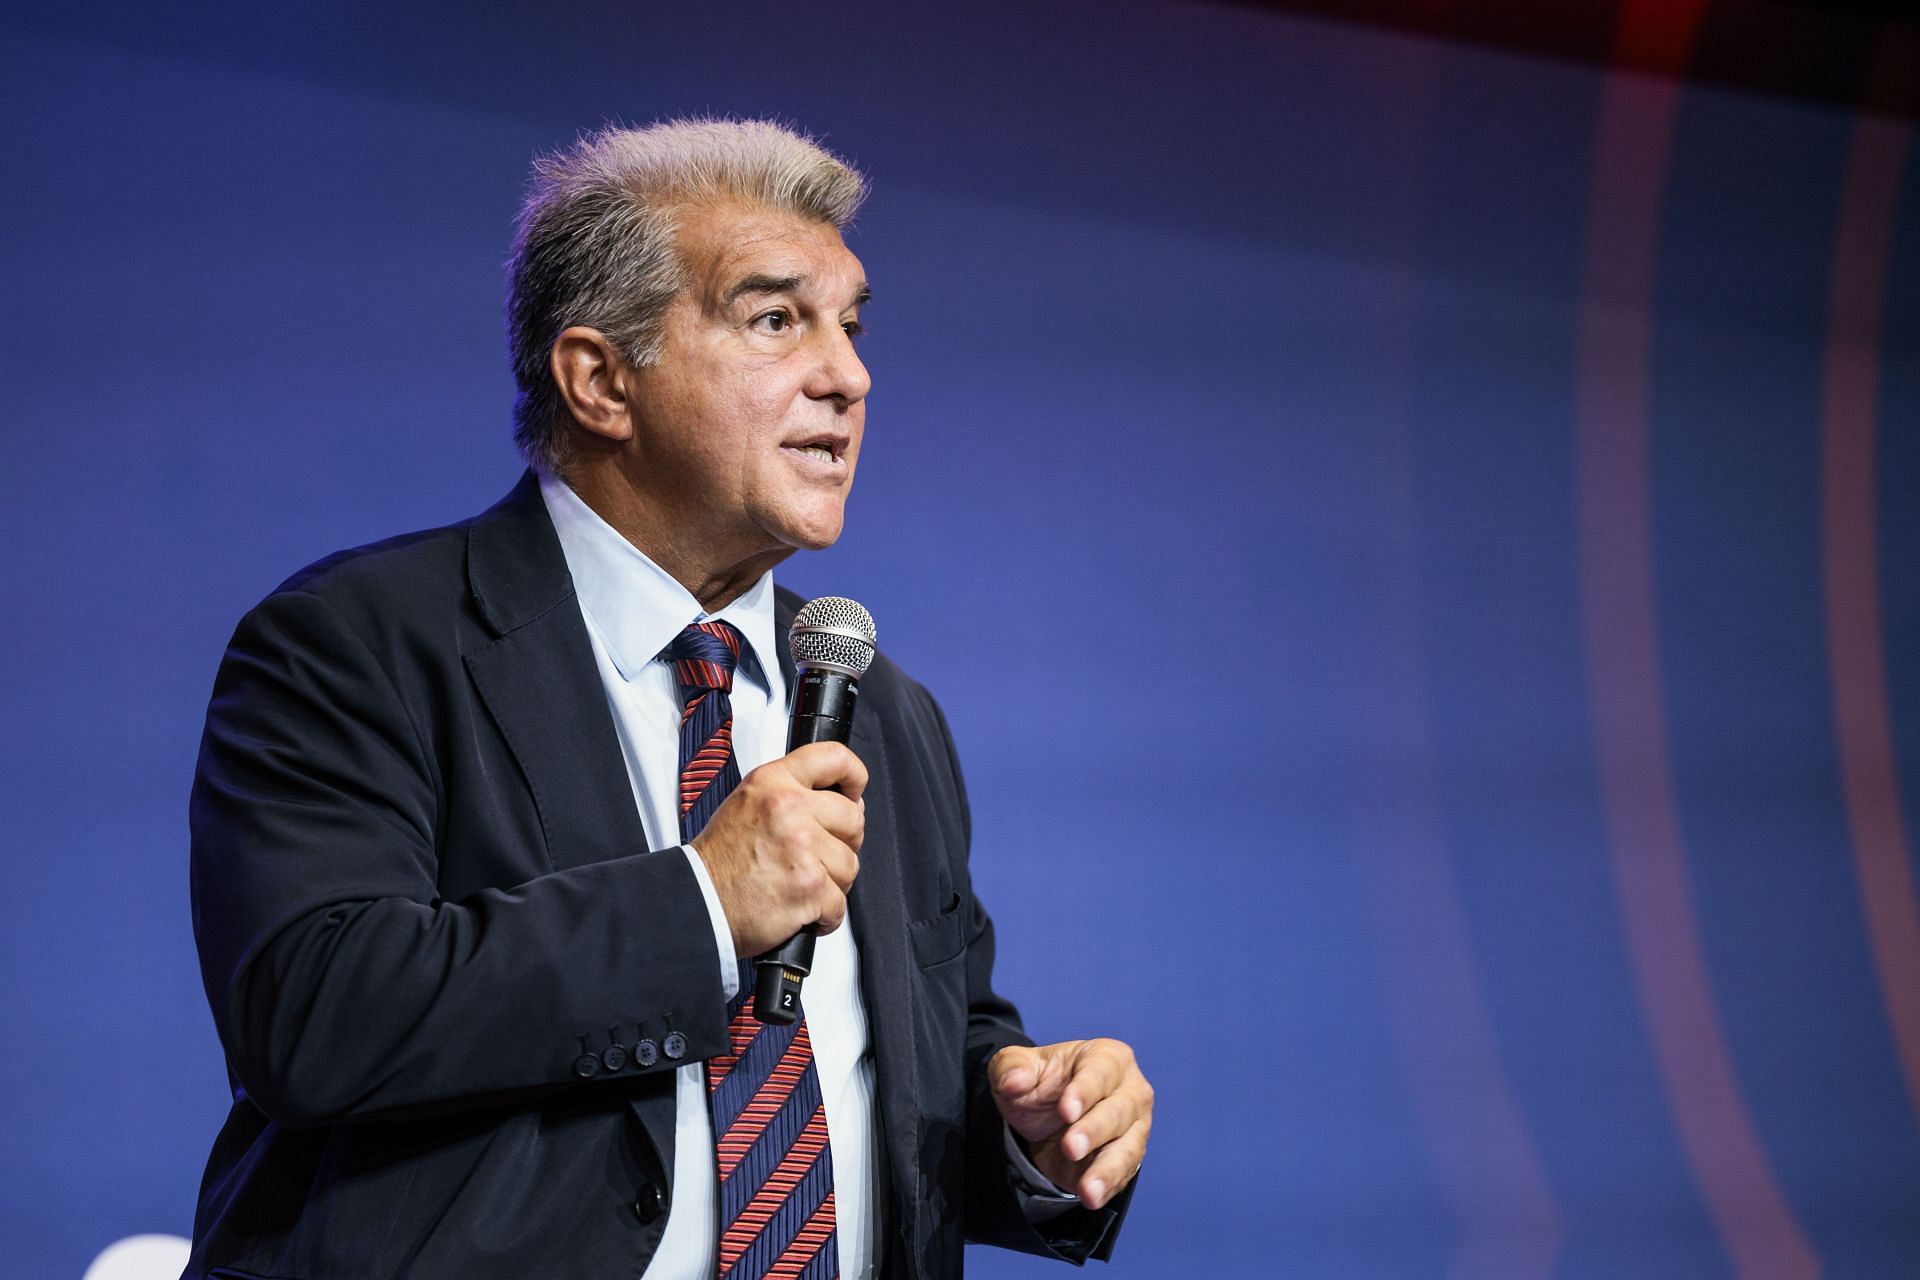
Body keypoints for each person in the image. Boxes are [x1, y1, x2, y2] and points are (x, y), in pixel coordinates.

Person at [185, 118, 1152, 1279]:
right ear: (600, 379)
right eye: (775, 317)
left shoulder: (881, 706)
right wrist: (701, 904)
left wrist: (1034, 1123)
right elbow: (315, 1011)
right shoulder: (358, 642)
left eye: (850, 323)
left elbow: (909, 1061)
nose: (848, 374)